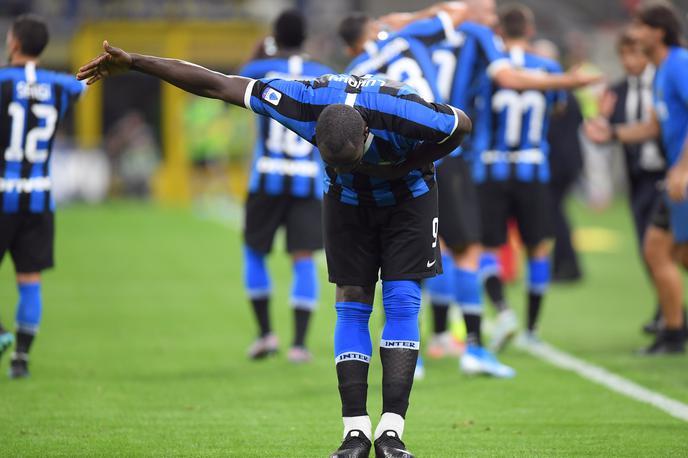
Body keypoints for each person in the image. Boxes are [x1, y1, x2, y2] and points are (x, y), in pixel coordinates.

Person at [76, 42, 472, 458]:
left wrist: (406, 165)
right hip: (347, 203)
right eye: (332, 160)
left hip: (409, 198)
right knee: (352, 301)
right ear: (314, 134)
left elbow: (461, 124)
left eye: (351, 160)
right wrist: (137, 62)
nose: (344, 165)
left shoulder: (405, 111)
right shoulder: (301, 102)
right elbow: (217, 84)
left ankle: (392, 433)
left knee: (403, 300)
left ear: (369, 134)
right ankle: (354, 433)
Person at [585, 2, 688, 354]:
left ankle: (673, 333)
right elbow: (653, 127)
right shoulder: (661, 71)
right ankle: (673, 331)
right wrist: (611, 135)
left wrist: (682, 168)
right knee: (672, 253)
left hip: (682, 178)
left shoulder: (678, 64)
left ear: (658, 32)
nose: (634, 32)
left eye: (640, 26)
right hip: (675, 178)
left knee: (657, 250)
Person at [238, 10, 334, 363]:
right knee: (304, 258)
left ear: (274, 37)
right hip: (307, 180)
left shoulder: (257, 70)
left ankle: (265, 335)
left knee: (254, 252)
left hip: (265, 175)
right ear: (305, 38)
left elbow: (233, 81)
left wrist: (259, 53)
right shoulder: (323, 73)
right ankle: (299, 344)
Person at [471, 4, 564, 346]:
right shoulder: (548, 67)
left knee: (486, 247)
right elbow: (558, 106)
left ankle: (502, 310)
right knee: (537, 248)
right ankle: (532, 329)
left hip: (491, 168)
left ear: (498, 31)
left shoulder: (488, 69)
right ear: (529, 29)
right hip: (533, 168)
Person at [0, 14, 86, 378]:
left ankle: (1, 333)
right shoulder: (62, 86)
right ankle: (21, 359)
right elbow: (81, 87)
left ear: (14, 43)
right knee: (30, 279)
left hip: (2, 193)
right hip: (39, 197)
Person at [596, 29, 670, 334]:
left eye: (635, 53)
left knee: (665, 250)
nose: (629, 61)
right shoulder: (618, 90)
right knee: (646, 248)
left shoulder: (665, 83)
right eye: (624, 55)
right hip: (638, 178)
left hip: (668, 176)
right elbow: (605, 134)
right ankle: (667, 310)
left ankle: (670, 315)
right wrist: (600, 120)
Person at [533, 39, 585, 284]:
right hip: (568, 162)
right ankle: (566, 264)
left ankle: (567, 266)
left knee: (554, 215)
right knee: (556, 213)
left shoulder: (554, 93)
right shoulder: (565, 92)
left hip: (558, 163)